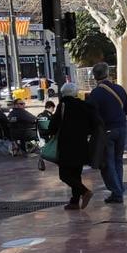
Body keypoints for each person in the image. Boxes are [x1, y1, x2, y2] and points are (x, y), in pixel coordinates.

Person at [47, 81, 103, 210]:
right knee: (76, 174)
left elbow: (52, 127)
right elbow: (94, 124)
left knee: (64, 175)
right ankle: (74, 201)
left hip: (66, 146)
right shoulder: (84, 105)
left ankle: (85, 192)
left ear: (63, 93)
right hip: (82, 145)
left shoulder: (63, 106)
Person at [86, 62, 127, 204]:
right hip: (121, 128)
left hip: (106, 131)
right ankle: (119, 189)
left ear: (94, 76)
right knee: (118, 160)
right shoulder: (119, 89)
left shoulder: (96, 93)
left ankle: (117, 192)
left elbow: (91, 114)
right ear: (108, 74)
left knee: (107, 162)